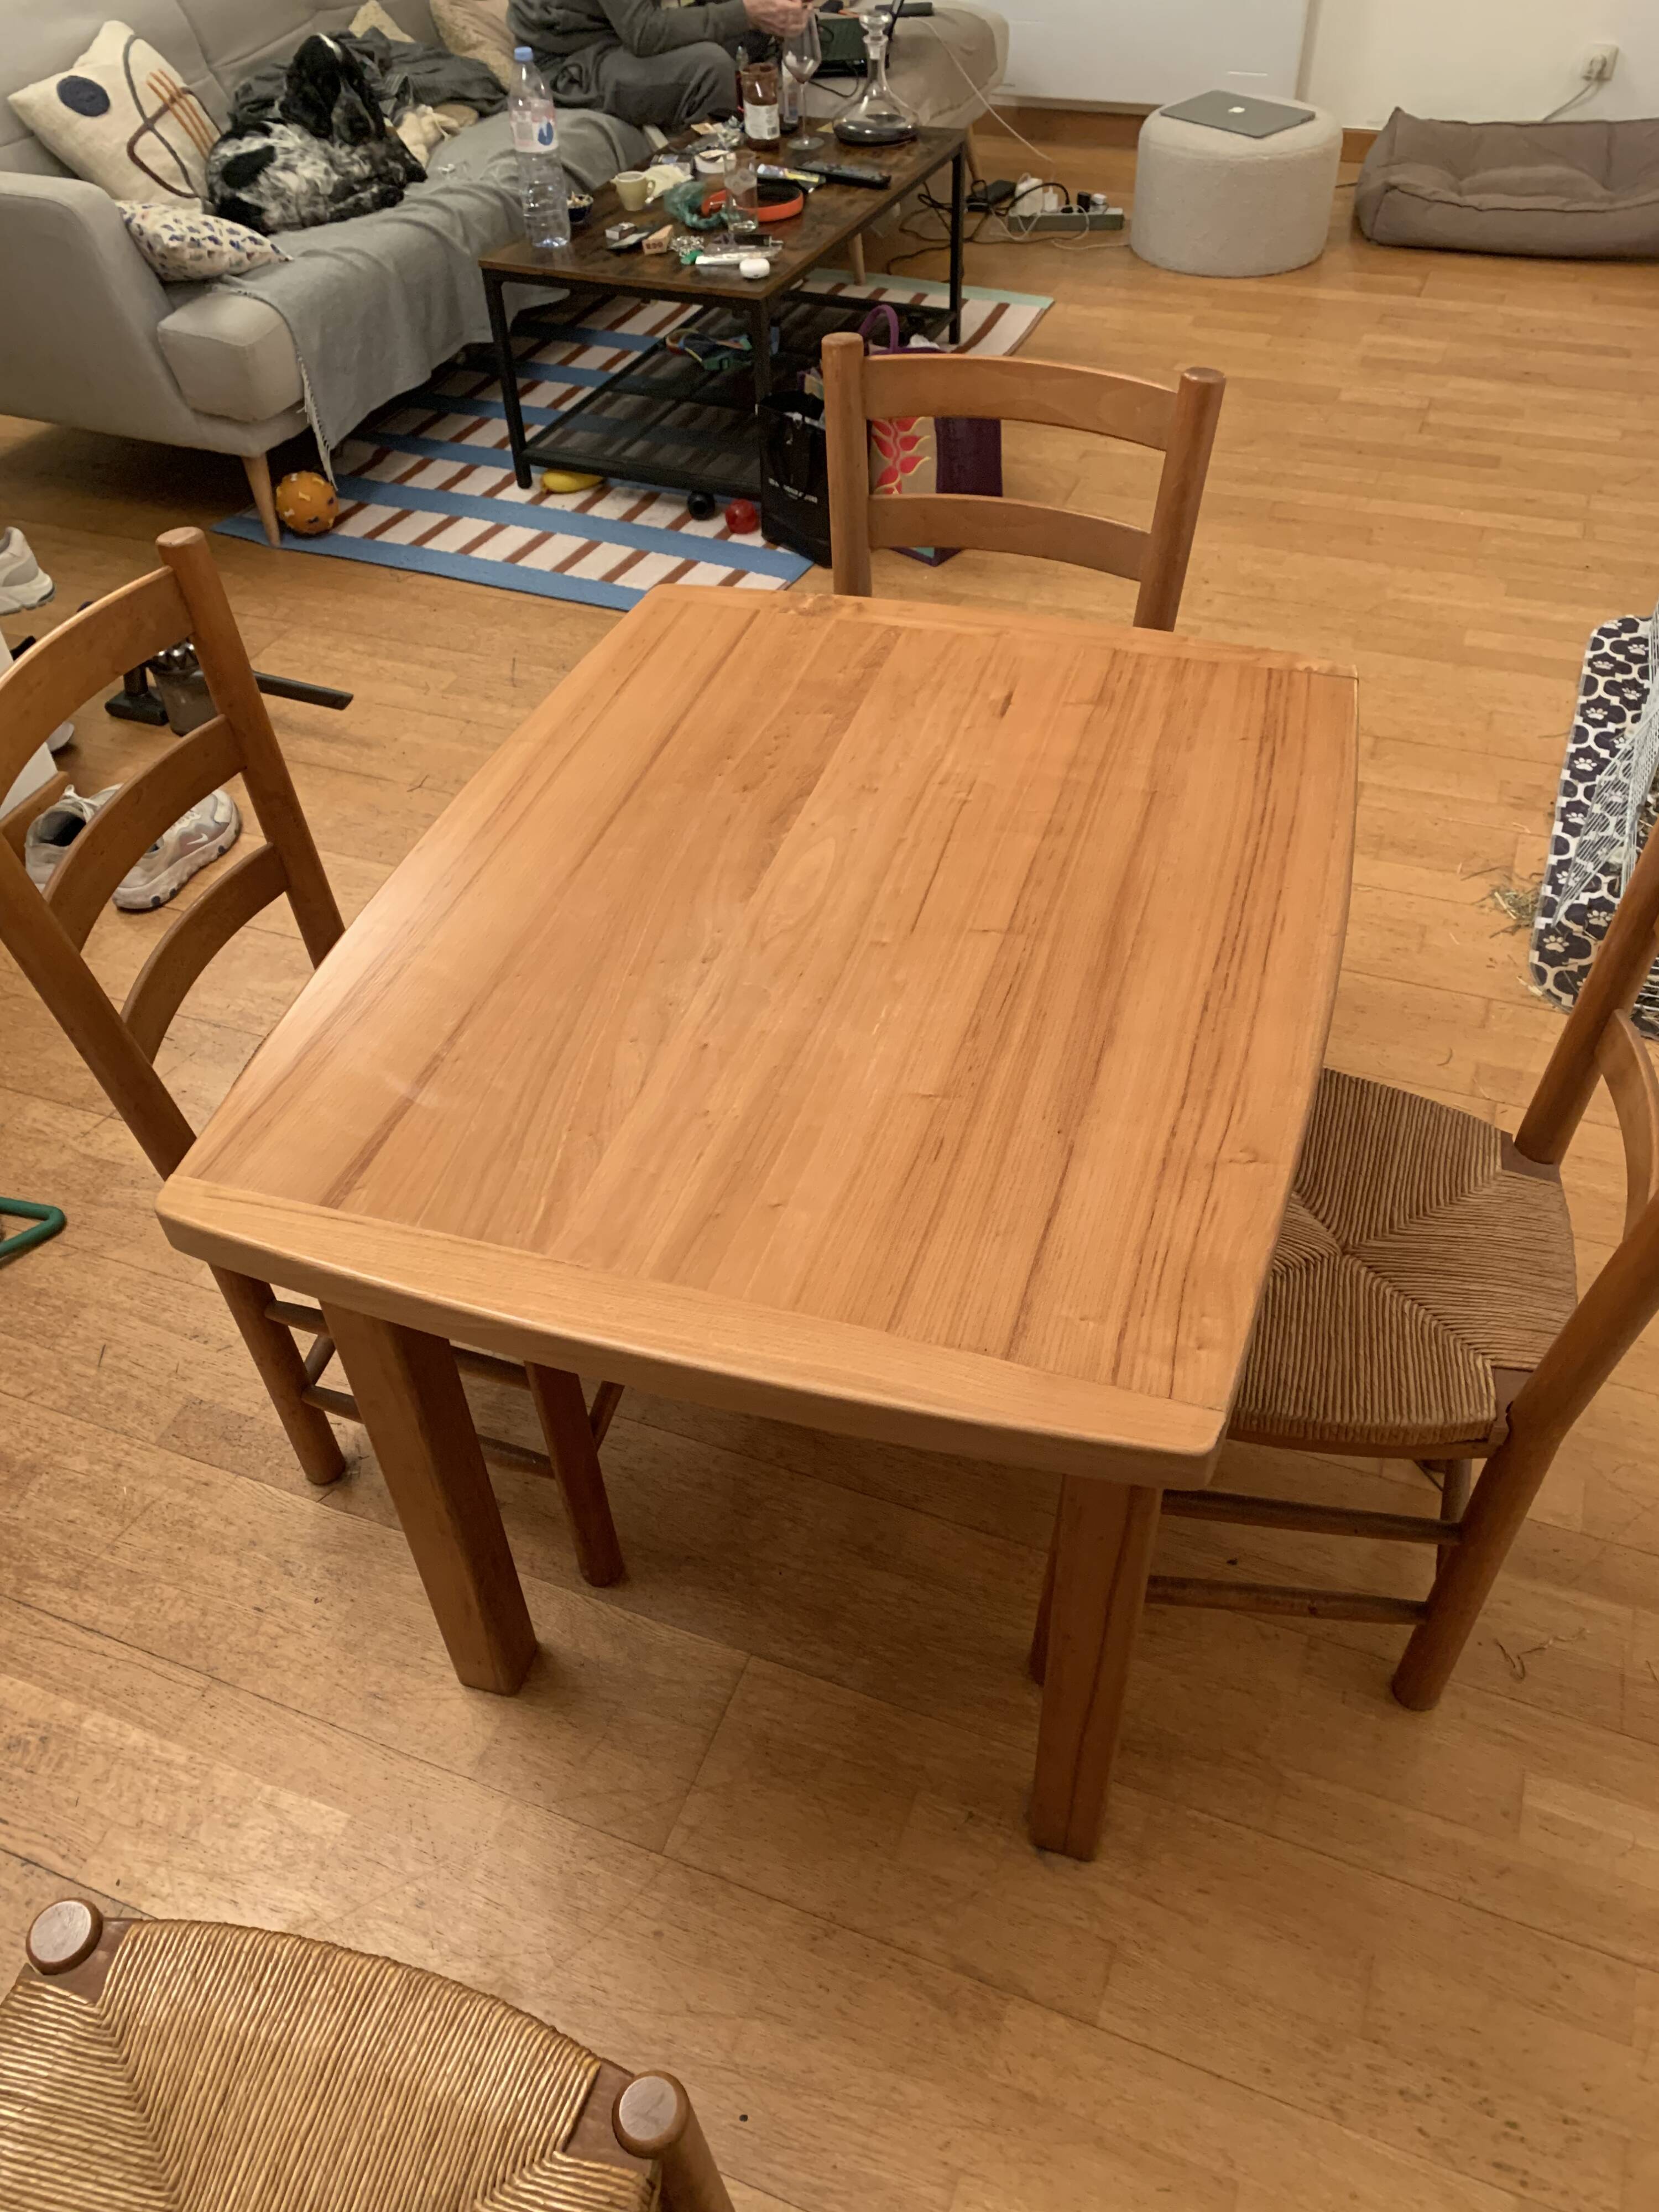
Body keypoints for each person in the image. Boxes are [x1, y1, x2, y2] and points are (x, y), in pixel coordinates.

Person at [508, 0, 811, 133]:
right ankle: (705, 192)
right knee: (709, 66)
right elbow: (644, 32)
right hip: (573, 59)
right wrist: (746, 13)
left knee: (745, 37)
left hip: (616, 34)